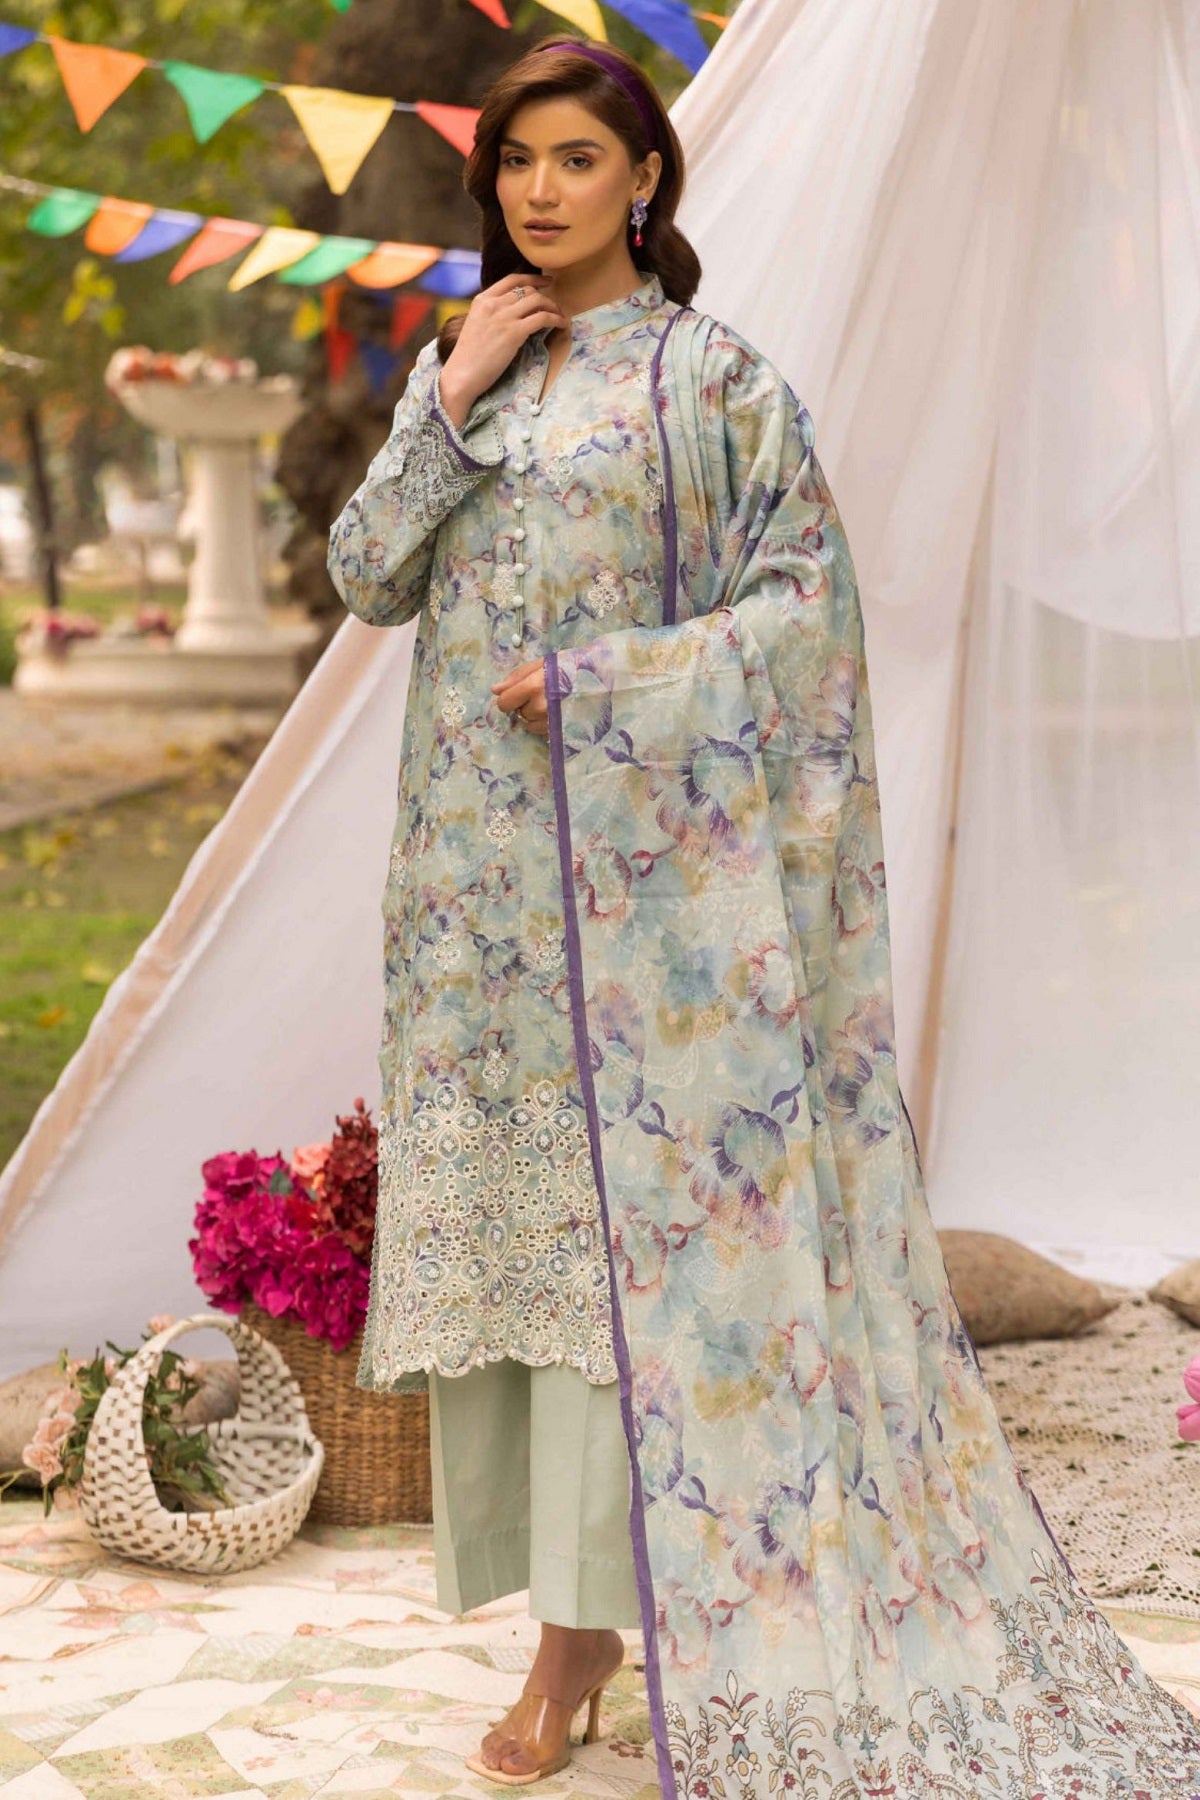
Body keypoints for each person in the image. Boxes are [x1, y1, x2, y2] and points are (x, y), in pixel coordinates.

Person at [328, 33, 1200, 1799]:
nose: (540, 191)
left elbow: (808, 622)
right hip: (473, 906)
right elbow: (368, 579)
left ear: (645, 177)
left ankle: (583, 1641)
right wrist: (445, 395)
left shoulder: (716, 384)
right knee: (527, 1268)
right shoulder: (471, 372)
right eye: (515, 164)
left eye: (576, 159)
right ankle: (563, 1618)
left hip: (649, 919)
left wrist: (609, 684)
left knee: (624, 1266)